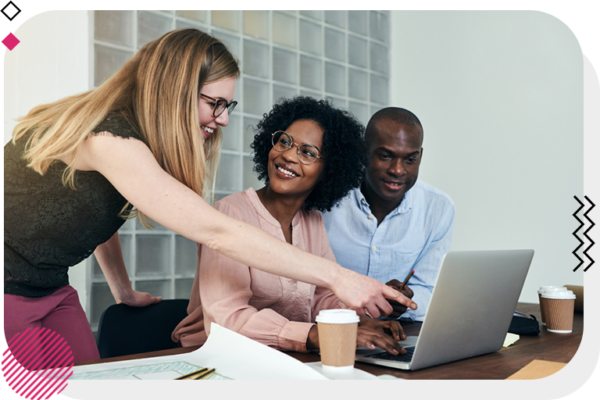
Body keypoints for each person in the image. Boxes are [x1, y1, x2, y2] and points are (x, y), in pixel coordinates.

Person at [3, 29, 414, 364]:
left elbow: (92, 212)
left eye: (227, 104)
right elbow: (217, 232)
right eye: (214, 103)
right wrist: (343, 278)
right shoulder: (110, 140)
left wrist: (122, 288)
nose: (224, 119)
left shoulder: (132, 145)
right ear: (175, 90)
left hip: (51, 288)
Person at [172, 97, 407, 355]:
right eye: (284, 141)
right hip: (211, 357)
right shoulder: (230, 214)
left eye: (307, 152)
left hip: (282, 357)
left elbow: (320, 298)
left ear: (328, 170)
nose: (287, 155)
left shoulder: (312, 221)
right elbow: (227, 321)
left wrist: (359, 322)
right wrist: (317, 335)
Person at [322, 107, 455, 321]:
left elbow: (428, 290)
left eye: (410, 159)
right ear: (364, 152)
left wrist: (408, 298)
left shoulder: (438, 208)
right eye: (385, 156)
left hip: (397, 334)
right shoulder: (326, 198)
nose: (398, 170)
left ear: (420, 156)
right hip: (332, 329)